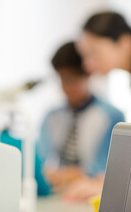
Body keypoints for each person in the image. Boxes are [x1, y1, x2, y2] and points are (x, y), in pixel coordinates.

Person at [37, 41, 125, 201]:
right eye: (62, 79)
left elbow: (110, 167)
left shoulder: (112, 116)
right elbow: (41, 159)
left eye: (72, 79)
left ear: (88, 74)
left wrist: (78, 174)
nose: (66, 87)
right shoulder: (51, 117)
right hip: (57, 194)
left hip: (91, 195)